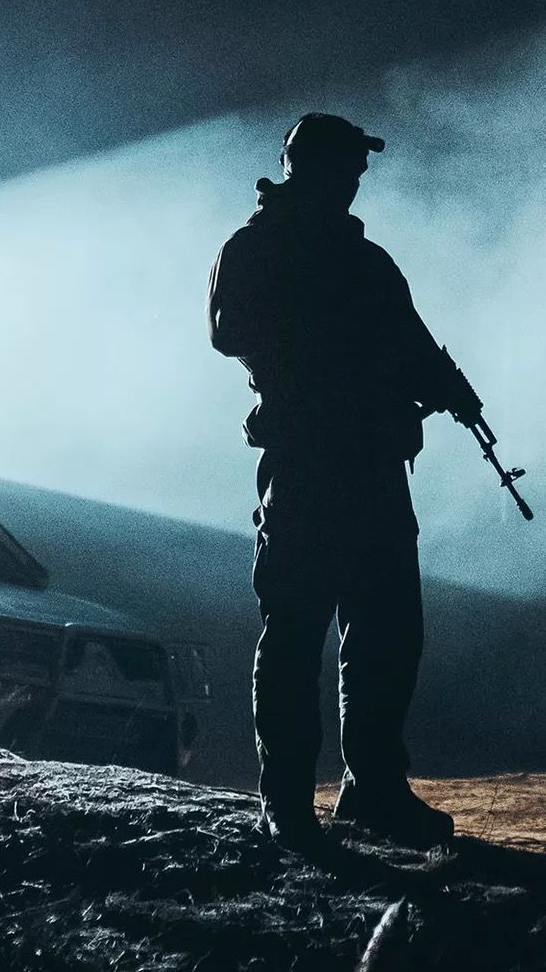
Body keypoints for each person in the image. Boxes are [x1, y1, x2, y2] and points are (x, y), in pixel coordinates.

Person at [207, 113, 482, 850]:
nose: (358, 177)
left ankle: (374, 791)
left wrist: (445, 388)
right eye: (349, 165)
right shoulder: (261, 247)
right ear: (315, 167)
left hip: (370, 463)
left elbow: (414, 342)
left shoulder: (364, 259)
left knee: (387, 629)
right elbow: (232, 332)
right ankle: (288, 801)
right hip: (306, 461)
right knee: (297, 628)